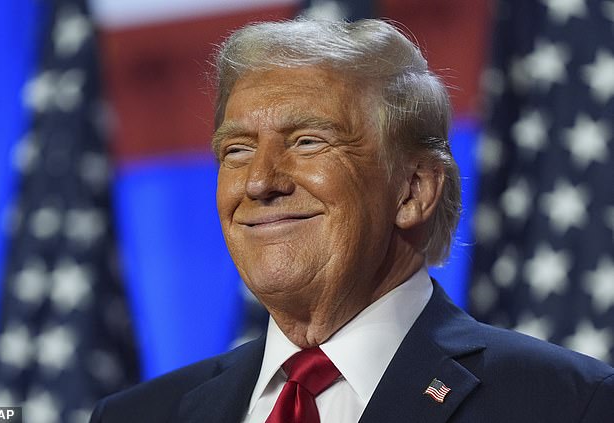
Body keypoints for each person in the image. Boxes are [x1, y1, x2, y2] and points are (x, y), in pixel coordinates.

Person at [90, 19, 614, 423]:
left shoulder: (566, 403)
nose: (259, 181)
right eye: (237, 150)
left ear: (413, 190)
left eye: (306, 142)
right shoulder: (138, 415)